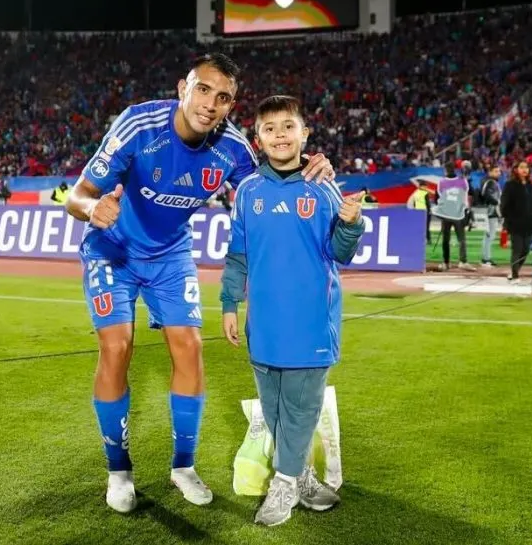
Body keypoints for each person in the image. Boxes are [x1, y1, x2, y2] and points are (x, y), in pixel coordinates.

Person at [63, 54, 335, 514]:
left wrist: (314, 166)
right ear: (182, 88)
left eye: (223, 97)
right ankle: (119, 472)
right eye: (203, 89)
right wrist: (92, 210)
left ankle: (183, 467)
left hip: (170, 254)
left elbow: (272, 182)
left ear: (231, 106)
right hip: (113, 249)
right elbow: (78, 194)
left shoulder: (230, 148)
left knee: (189, 347)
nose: (210, 103)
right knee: (116, 347)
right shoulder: (137, 125)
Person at [218, 95, 364, 527]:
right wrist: (229, 304)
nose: (280, 135)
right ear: (258, 138)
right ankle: (299, 476)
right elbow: (238, 256)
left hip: (310, 322)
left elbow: (339, 253)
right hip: (263, 323)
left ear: (304, 133)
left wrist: (352, 222)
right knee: (276, 409)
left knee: (301, 408)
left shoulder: (322, 184)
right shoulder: (247, 191)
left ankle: (282, 486)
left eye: (288, 126)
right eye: (270, 128)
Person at [431, 163, 474, 271]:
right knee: (461, 239)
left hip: (446, 214)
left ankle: (446, 262)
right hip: (459, 214)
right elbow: (468, 194)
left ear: (445, 170)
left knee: (446, 239)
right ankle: (463, 261)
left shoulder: (441, 182)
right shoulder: (462, 181)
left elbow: (437, 198)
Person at [500, 160, 532, 283]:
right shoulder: (510, 185)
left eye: (526, 167)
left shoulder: (531, 185)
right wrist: (507, 219)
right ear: (516, 169)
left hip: (529, 223)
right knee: (517, 249)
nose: (524, 170)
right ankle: (515, 276)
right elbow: (504, 204)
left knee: (526, 250)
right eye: (521, 167)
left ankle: (515, 270)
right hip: (515, 223)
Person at [479, 165, 502, 267]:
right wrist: (496, 202)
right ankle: (486, 258)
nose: (499, 173)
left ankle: (486, 257)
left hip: (491, 212)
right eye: (496, 171)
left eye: (499, 171)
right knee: (489, 236)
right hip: (490, 212)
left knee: (489, 236)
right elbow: (485, 194)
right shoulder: (489, 182)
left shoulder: (491, 182)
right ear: (490, 172)